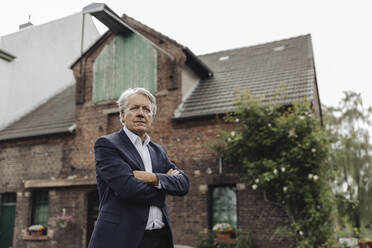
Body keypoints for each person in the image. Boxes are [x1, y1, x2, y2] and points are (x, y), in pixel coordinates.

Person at [88, 88, 189, 248]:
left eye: (146, 109)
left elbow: (183, 184)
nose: (141, 113)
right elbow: (128, 188)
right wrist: (165, 188)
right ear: (122, 115)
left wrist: (152, 178)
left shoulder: (158, 151)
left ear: (152, 117)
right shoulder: (108, 145)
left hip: (159, 240)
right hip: (120, 239)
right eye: (134, 108)